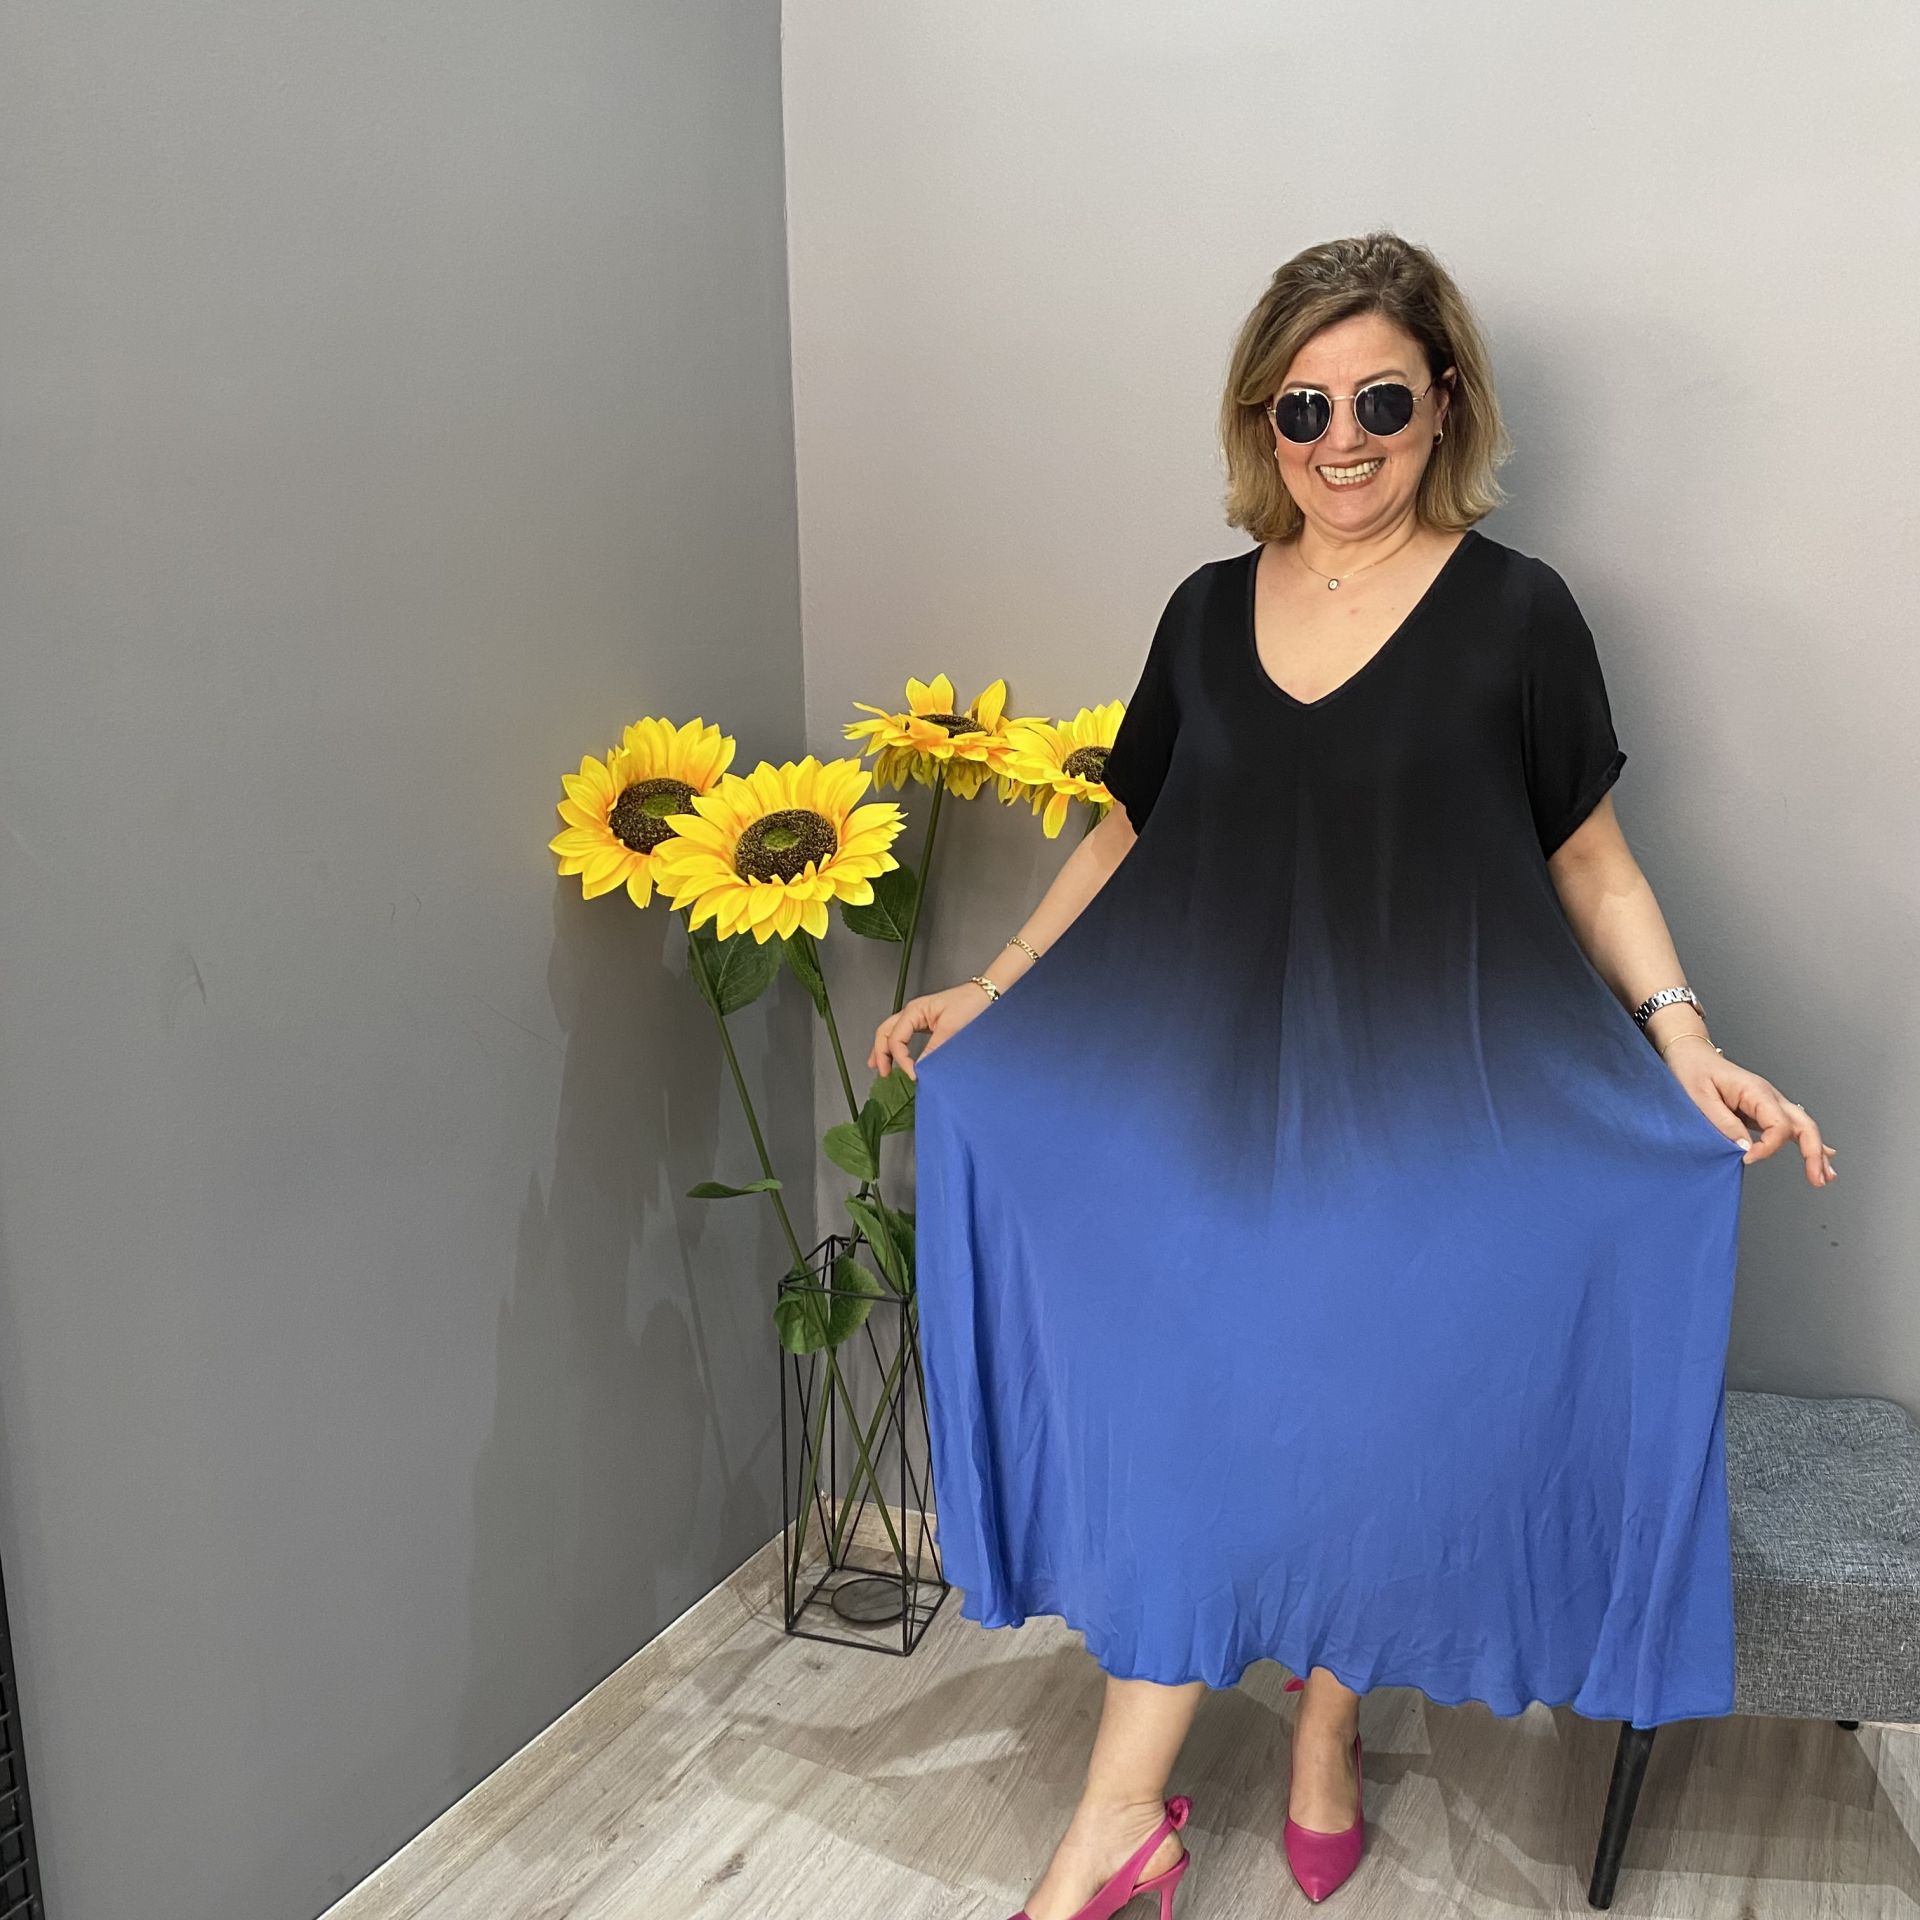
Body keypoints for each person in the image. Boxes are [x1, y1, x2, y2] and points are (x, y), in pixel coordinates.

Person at [869, 230, 1835, 1918]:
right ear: (1263, 418)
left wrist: (1687, 1042)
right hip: (1214, 1113)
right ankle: (1122, 1817)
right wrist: (996, 988)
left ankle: (1319, 1725)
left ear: (1444, 402)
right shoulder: (1202, 610)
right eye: (1301, 405)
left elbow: (1590, 860)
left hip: (1435, 1122)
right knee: (1204, 1424)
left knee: (1375, 1427)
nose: (1341, 438)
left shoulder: (1520, 614)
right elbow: (1128, 830)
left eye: (1380, 399)